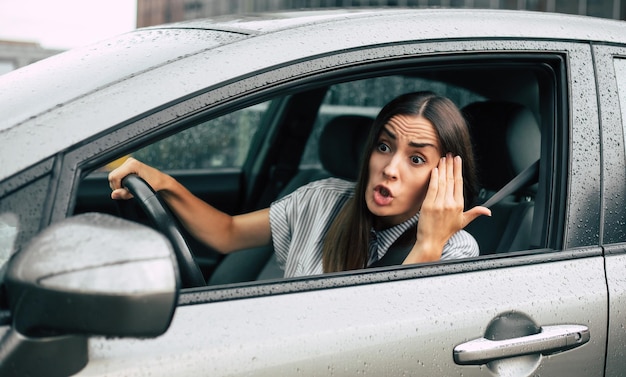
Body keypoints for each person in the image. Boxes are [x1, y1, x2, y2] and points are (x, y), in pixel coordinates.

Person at [109, 91, 491, 278]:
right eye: (384, 146)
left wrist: (427, 245)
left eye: (416, 158)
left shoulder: (457, 251)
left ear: (445, 176)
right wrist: (164, 184)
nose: (390, 168)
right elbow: (226, 233)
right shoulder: (321, 199)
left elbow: (390, 344)